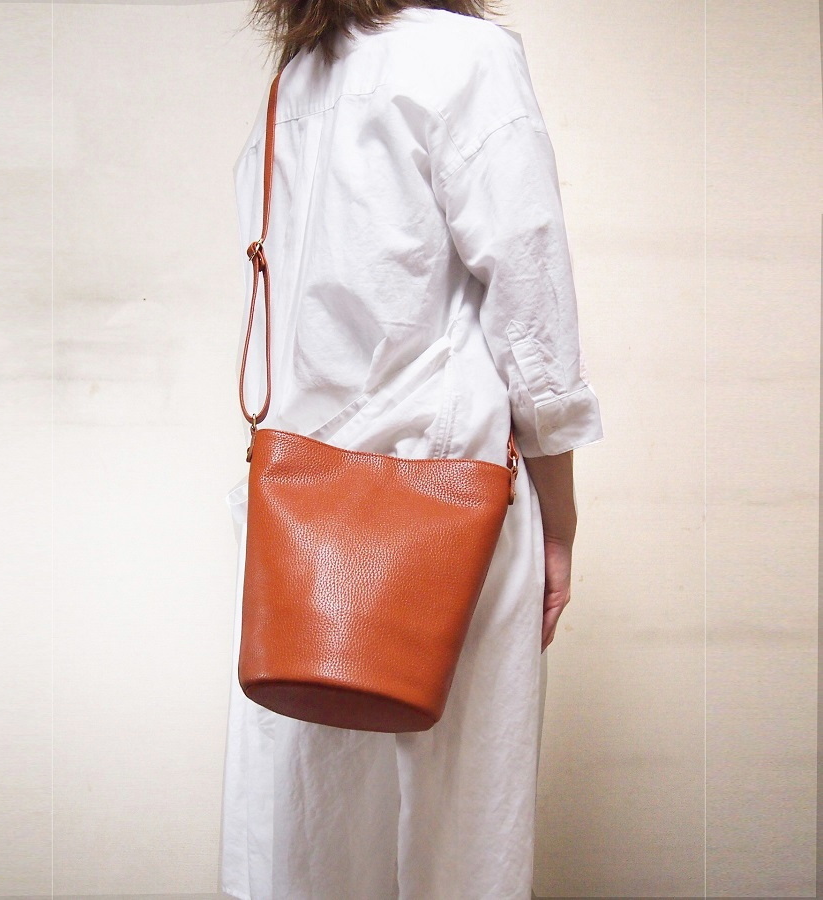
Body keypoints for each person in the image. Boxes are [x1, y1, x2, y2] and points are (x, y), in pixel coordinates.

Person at [219, 3, 604, 898]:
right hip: (449, 494)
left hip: (300, 521)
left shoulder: (292, 86)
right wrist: (561, 516)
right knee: (463, 829)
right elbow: (530, 296)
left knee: (312, 825)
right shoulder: (467, 55)